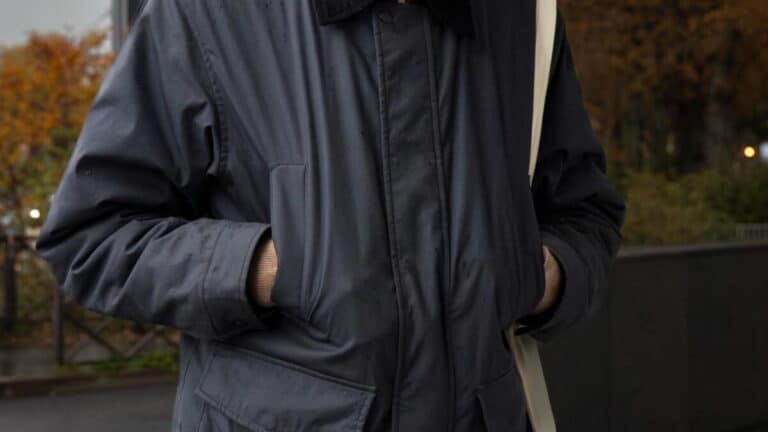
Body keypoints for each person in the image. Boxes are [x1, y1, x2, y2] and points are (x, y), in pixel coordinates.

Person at [36, 0, 625, 430]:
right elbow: (91, 233)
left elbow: (585, 213)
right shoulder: (205, 13)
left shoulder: (525, 15)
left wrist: (538, 274)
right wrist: (270, 267)